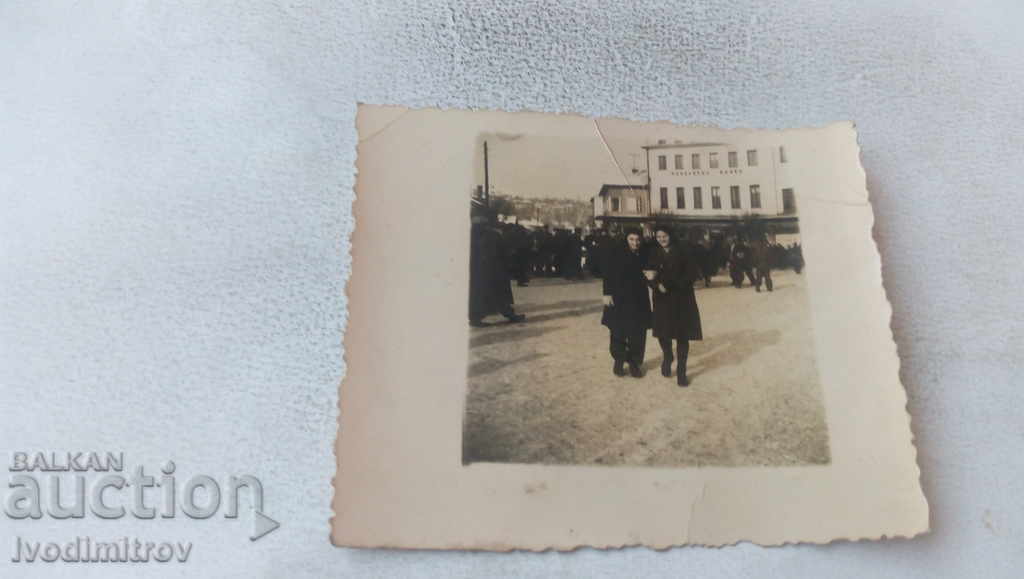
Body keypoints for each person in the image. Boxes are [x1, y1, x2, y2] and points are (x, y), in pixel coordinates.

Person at [644, 226, 703, 387]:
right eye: (658, 236)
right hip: (661, 300)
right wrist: (655, 285)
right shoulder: (654, 253)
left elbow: (691, 274)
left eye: (665, 236)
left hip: (681, 298)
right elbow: (648, 274)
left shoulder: (683, 250)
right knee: (663, 333)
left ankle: (682, 371)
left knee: (682, 335)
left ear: (671, 236)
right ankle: (668, 355)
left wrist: (669, 285)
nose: (661, 239)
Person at [600, 229, 652, 378]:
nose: (635, 243)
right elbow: (607, 274)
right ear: (626, 239)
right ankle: (619, 359)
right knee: (618, 330)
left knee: (638, 331)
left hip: (638, 298)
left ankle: (635, 362)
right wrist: (607, 293)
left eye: (637, 239)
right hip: (619, 298)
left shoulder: (644, 253)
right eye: (632, 239)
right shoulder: (616, 253)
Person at [469, 211, 526, 327]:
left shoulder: (470, 235)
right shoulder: (493, 235)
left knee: (479, 295)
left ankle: (476, 318)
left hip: (478, 271)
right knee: (500, 295)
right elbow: (504, 252)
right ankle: (509, 315)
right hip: (494, 270)